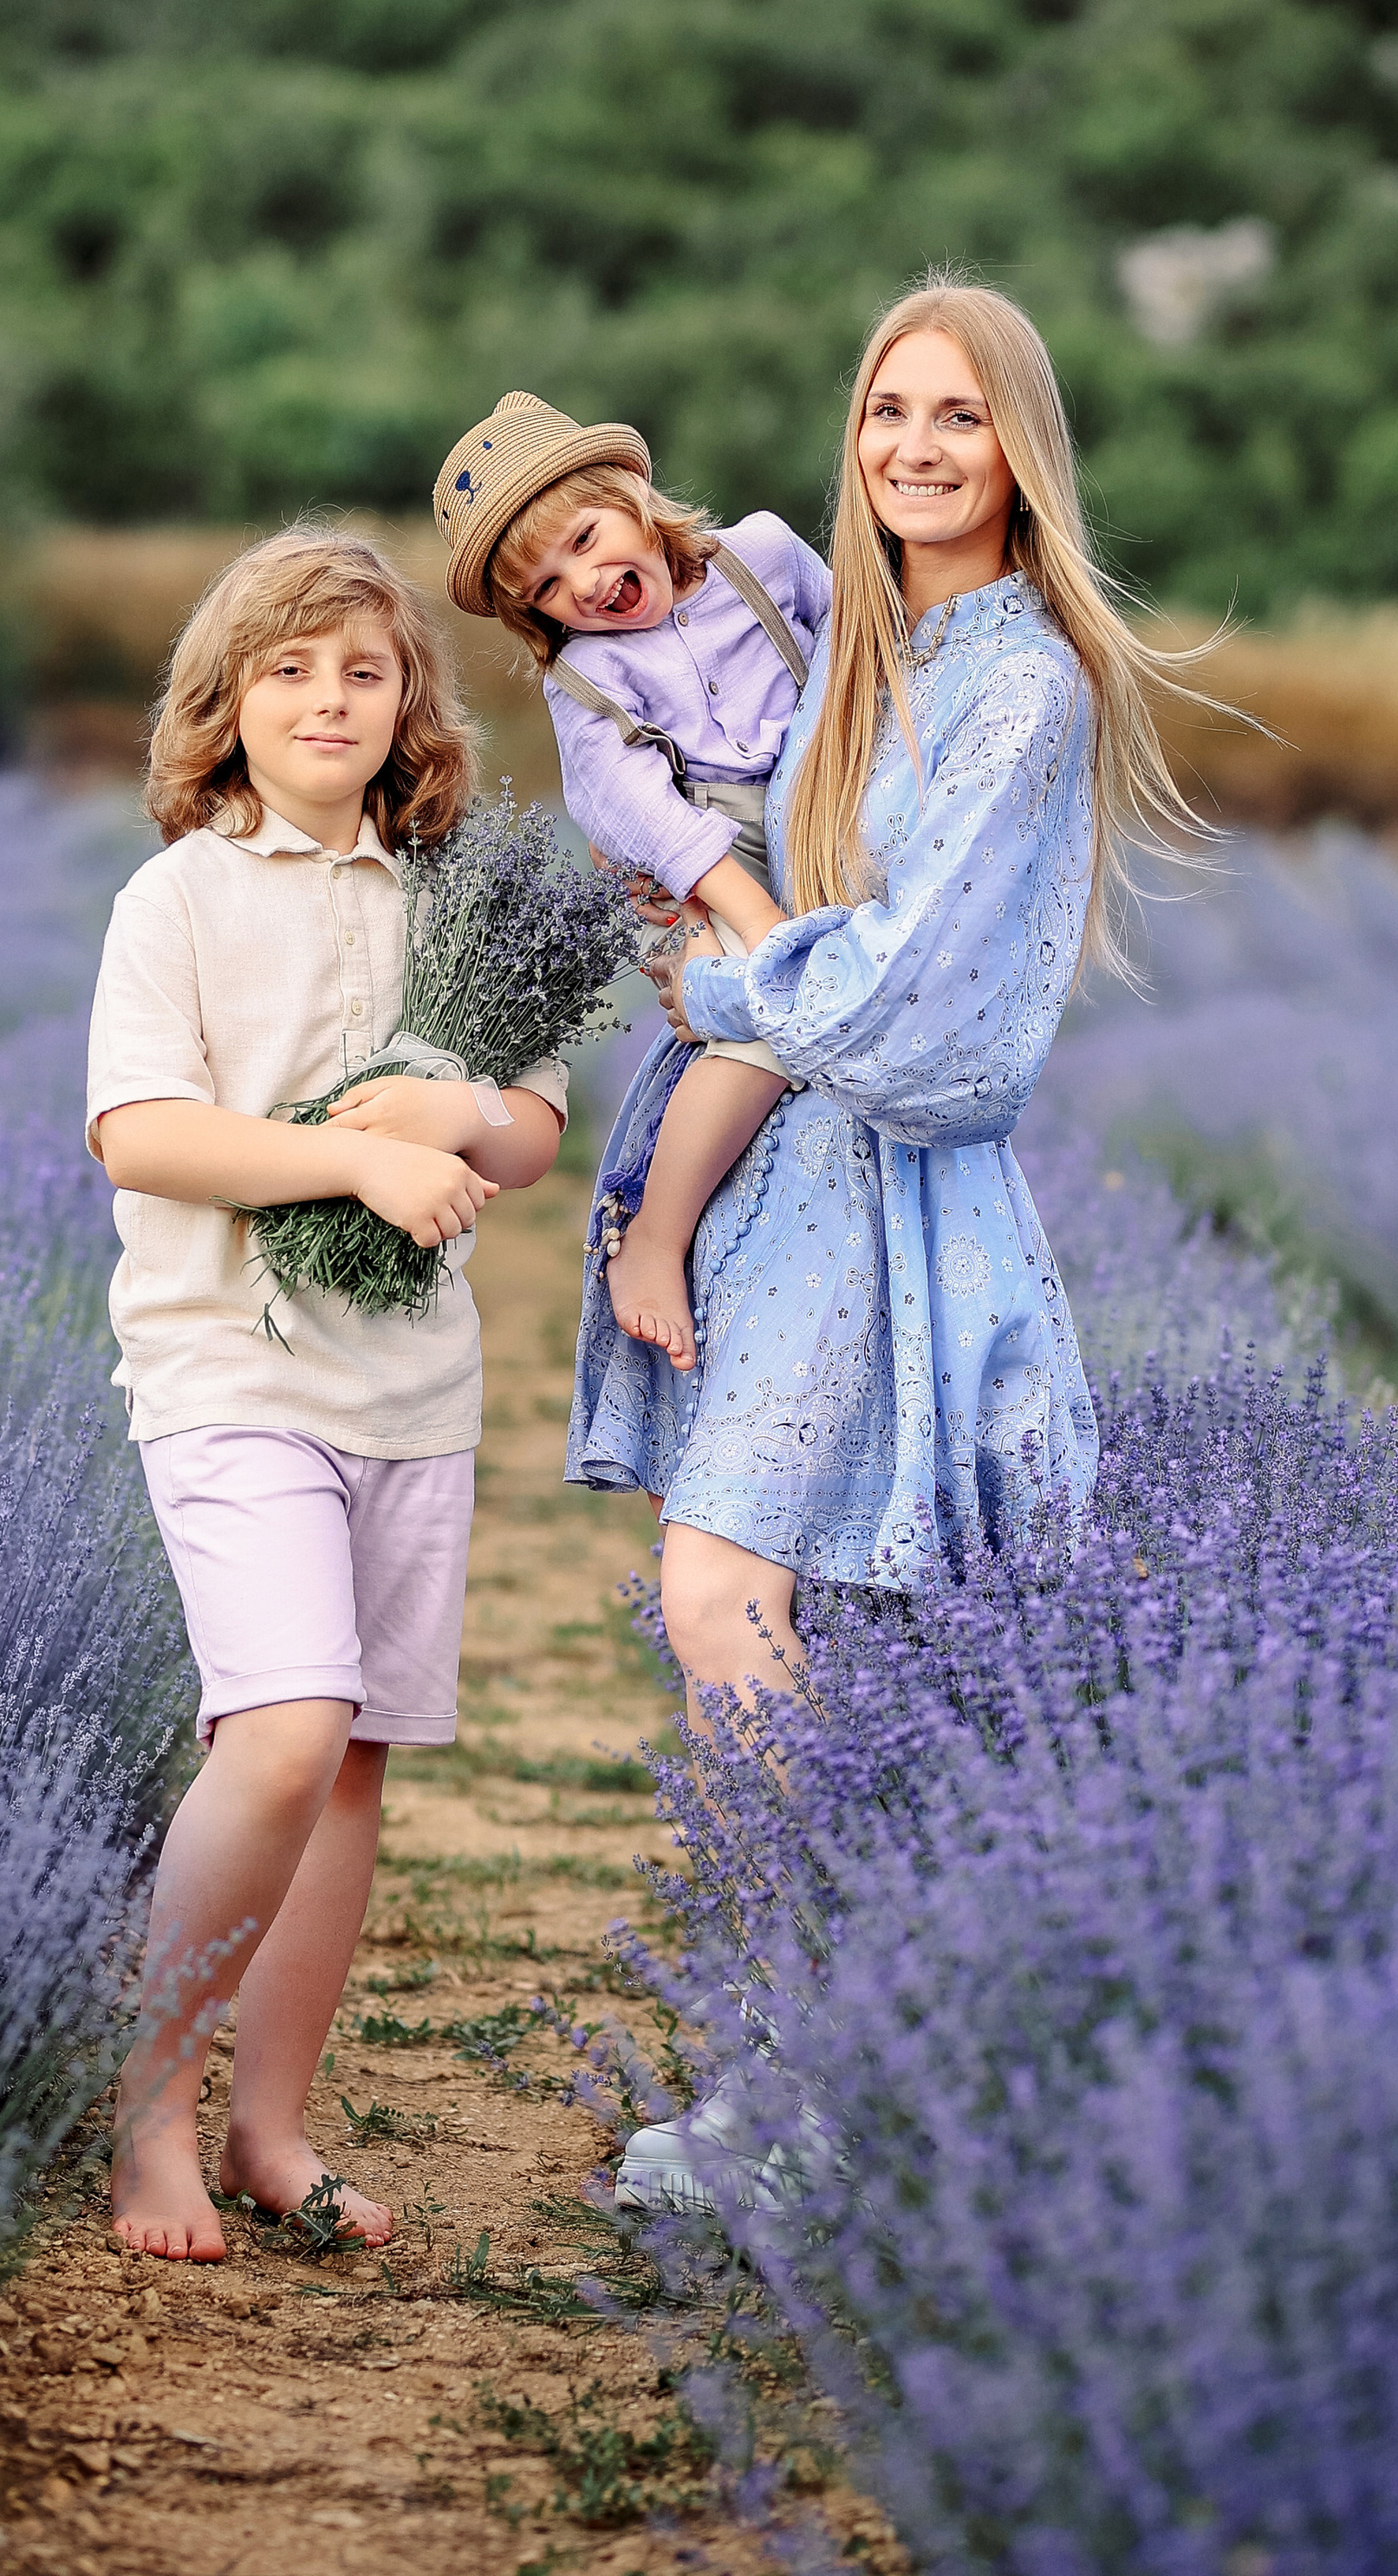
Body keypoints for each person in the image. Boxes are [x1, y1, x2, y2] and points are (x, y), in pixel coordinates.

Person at [562, 283, 1211, 2210]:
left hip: (889, 1197)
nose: (914, 449)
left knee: (720, 1598)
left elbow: (918, 998)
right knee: (816, 1624)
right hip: (786, 1190)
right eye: (883, 413)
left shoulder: (1023, 683)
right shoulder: (867, 648)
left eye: (956, 417)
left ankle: (820, 2076)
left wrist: (721, 972)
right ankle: (828, 2066)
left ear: (1021, 450)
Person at [87, 526, 567, 2261]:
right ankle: (148, 2118)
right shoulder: (183, 898)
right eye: (288, 669)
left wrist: (458, 1123)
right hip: (228, 1367)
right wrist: (348, 1169)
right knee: (279, 1732)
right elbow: (142, 1132)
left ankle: (270, 2129)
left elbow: (530, 1124)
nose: (327, 698)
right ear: (223, 703)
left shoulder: (444, 890)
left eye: (363, 671)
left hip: (409, 1385)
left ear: (407, 707)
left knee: (349, 1766)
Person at [432, 394, 829, 1370]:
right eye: (549, 588)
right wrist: (767, 932)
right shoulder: (590, 679)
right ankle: (654, 1234)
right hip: (696, 861)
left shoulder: (766, 555)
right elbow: (646, 820)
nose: (586, 584)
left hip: (816, 808)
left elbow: (862, 650)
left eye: (585, 537)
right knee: (762, 1025)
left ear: (633, 496)